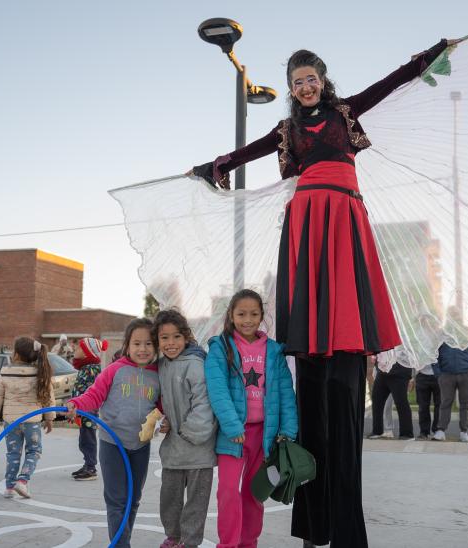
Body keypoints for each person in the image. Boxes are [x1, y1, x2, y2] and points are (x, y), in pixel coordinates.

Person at [191, 40, 450, 547]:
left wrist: (428, 57)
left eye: (311, 78)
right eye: (296, 82)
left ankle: (345, 527)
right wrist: (213, 167)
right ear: (291, 90)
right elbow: (247, 154)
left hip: (344, 212)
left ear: (323, 81)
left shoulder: (344, 113)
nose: (305, 86)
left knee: (344, 335)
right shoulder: (286, 130)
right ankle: (312, 528)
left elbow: (391, 82)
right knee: (310, 341)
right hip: (307, 220)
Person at [205, 289, 298, 548]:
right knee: (227, 492)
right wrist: (232, 425)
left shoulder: (273, 351)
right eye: (241, 314)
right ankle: (228, 544)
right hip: (232, 433)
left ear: (261, 316)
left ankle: (248, 543)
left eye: (254, 314)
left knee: (254, 493)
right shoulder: (220, 347)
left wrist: (288, 431)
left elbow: (285, 392)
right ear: (231, 315)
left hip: (264, 436)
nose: (248, 319)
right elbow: (217, 389)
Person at [65, 318, 160, 548]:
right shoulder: (113, 371)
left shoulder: (158, 373)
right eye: (137, 343)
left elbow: (163, 405)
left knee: (133, 500)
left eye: (149, 344)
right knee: (117, 500)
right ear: (127, 345)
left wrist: (163, 419)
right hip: (112, 442)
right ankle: (120, 545)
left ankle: (122, 540)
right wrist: (77, 403)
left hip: (140, 444)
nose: (143, 349)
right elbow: (94, 395)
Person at [153, 309, 216, 548]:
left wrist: (189, 432)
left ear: (187, 336)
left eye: (176, 337)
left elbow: (204, 402)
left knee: (196, 504)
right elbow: (162, 402)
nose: (171, 343)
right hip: (173, 450)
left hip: (198, 449)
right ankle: (174, 536)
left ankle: (189, 542)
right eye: (164, 338)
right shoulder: (161, 366)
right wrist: (164, 421)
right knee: (169, 499)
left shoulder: (196, 364)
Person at [0, 337, 55, 498]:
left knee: (13, 454)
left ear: (16, 354)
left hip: (11, 423)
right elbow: (49, 398)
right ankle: (22, 482)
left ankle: (10, 487)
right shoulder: (41, 374)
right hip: (32, 422)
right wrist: (50, 418)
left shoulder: (4, 374)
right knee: (34, 451)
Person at [70, 337, 108, 481]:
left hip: (88, 411)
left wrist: (80, 405)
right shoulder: (85, 368)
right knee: (83, 439)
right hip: (81, 410)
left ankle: (91, 468)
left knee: (88, 438)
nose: (75, 349)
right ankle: (88, 463)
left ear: (87, 353)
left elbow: (90, 391)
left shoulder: (92, 369)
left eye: (79, 348)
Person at [432, 337, 468, 443]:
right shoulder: (443, 335)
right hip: (446, 374)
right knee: (445, 403)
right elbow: (434, 353)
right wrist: (439, 374)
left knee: (466, 404)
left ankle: (464, 432)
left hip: (467, 374)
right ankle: (441, 431)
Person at [369, 358, 414, 440]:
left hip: (399, 372)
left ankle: (407, 434)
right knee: (376, 400)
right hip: (383, 371)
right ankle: (377, 431)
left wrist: (411, 377)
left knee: (401, 402)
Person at [415, 361, 441, 440]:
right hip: (421, 375)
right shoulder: (419, 347)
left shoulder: (440, 347)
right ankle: (424, 431)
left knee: (439, 405)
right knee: (422, 406)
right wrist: (413, 376)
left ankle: (438, 430)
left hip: (439, 375)